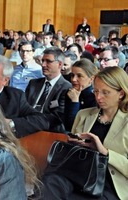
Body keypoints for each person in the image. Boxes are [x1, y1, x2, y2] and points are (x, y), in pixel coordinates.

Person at [42, 67, 128, 200]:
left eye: (106, 92)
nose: (98, 97)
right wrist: (75, 143)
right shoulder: (84, 115)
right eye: (96, 91)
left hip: (109, 184)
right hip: (77, 174)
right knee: (49, 181)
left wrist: (105, 152)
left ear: (121, 93)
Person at [25, 47, 71, 131]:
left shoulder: (66, 88)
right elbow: (23, 106)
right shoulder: (33, 83)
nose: (43, 65)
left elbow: (56, 118)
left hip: (48, 130)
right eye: (43, 61)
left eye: (48, 61)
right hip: (26, 126)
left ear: (60, 64)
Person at [64, 58, 99, 131]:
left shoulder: (95, 98)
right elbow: (66, 123)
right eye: (72, 75)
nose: (73, 79)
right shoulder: (70, 93)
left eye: (79, 76)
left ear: (91, 79)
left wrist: (75, 102)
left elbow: (74, 126)